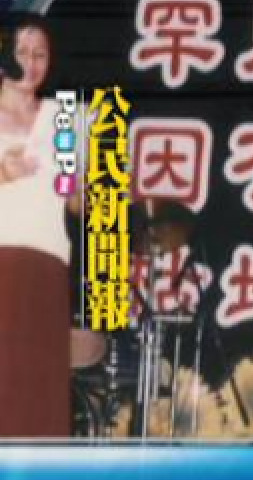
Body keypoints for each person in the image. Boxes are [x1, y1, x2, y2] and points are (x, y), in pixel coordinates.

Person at [0, 14, 75, 436]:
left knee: (38, 393)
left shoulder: (63, 117)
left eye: (40, 55)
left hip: (46, 265)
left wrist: (87, 186)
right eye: (21, 53)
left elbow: (74, 199)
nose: (30, 64)